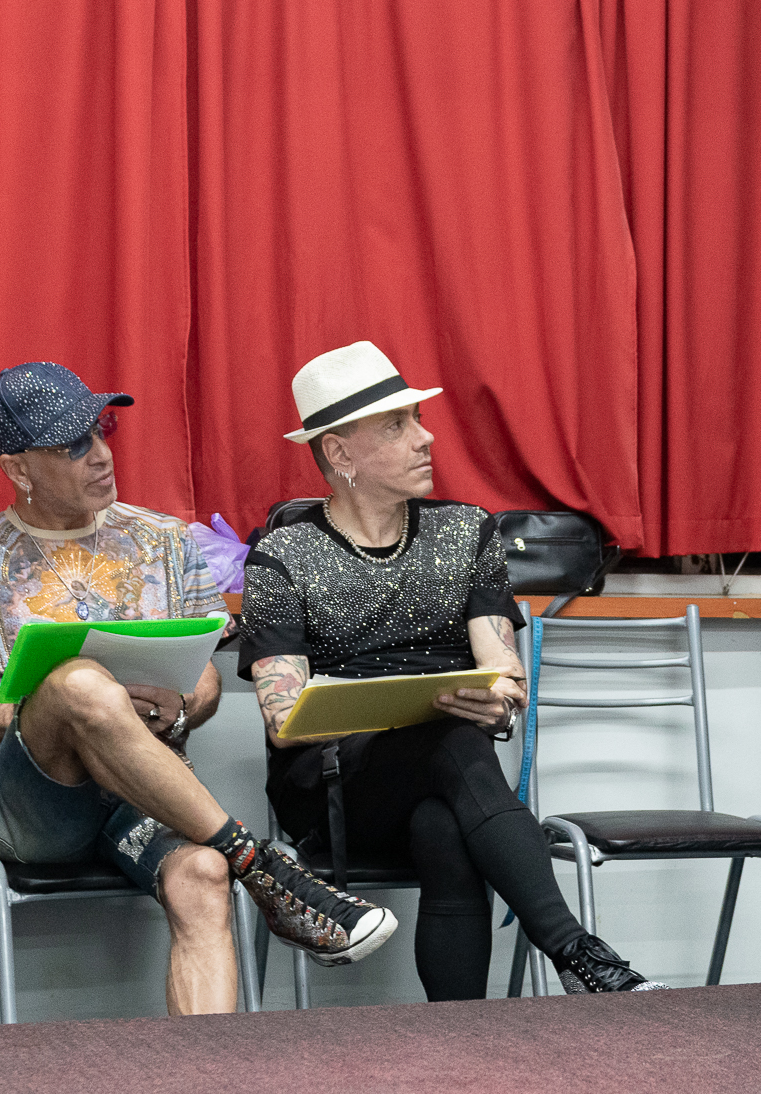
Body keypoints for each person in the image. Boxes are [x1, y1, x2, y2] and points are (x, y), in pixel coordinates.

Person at [0, 362, 396, 1017]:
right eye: (72, 445)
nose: (101, 455)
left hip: (146, 796)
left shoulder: (165, 542)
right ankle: (261, 864)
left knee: (204, 874)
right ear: (18, 469)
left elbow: (204, 678)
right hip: (32, 810)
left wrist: (182, 705)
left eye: (101, 430)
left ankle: (206, 1059)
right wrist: (36, 711)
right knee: (78, 680)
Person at [239, 341, 667, 998]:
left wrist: (498, 698)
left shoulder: (468, 532)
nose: (425, 437)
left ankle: (464, 1037)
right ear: (339, 453)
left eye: (416, 418)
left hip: (448, 772)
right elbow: (284, 720)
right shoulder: (282, 554)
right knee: (449, 740)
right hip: (332, 785)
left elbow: (504, 673)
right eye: (396, 425)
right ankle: (582, 955)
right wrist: (411, 709)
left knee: (443, 823)